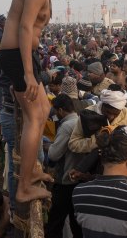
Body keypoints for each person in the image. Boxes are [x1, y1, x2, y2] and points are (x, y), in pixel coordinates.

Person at [0, 0, 72, 202]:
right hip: (17, 55)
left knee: (45, 107)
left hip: (24, 55)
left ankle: (32, 170)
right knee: (34, 116)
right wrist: (28, 75)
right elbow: (25, 27)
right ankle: (24, 187)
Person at [68, 85, 127, 154]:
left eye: (115, 113)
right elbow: (73, 144)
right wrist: (95, 142)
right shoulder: (88, 114)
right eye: (107, 112)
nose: (111, 117)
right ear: (102, 104)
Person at [46, 94, 81, 238]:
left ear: (60, 110)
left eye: (55, 110)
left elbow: (54, 155)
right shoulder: (79, 120)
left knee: (55, 221)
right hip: (79, 178)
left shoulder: (67, 125)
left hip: (65, 180)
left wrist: (46, 146)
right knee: (76, 221)